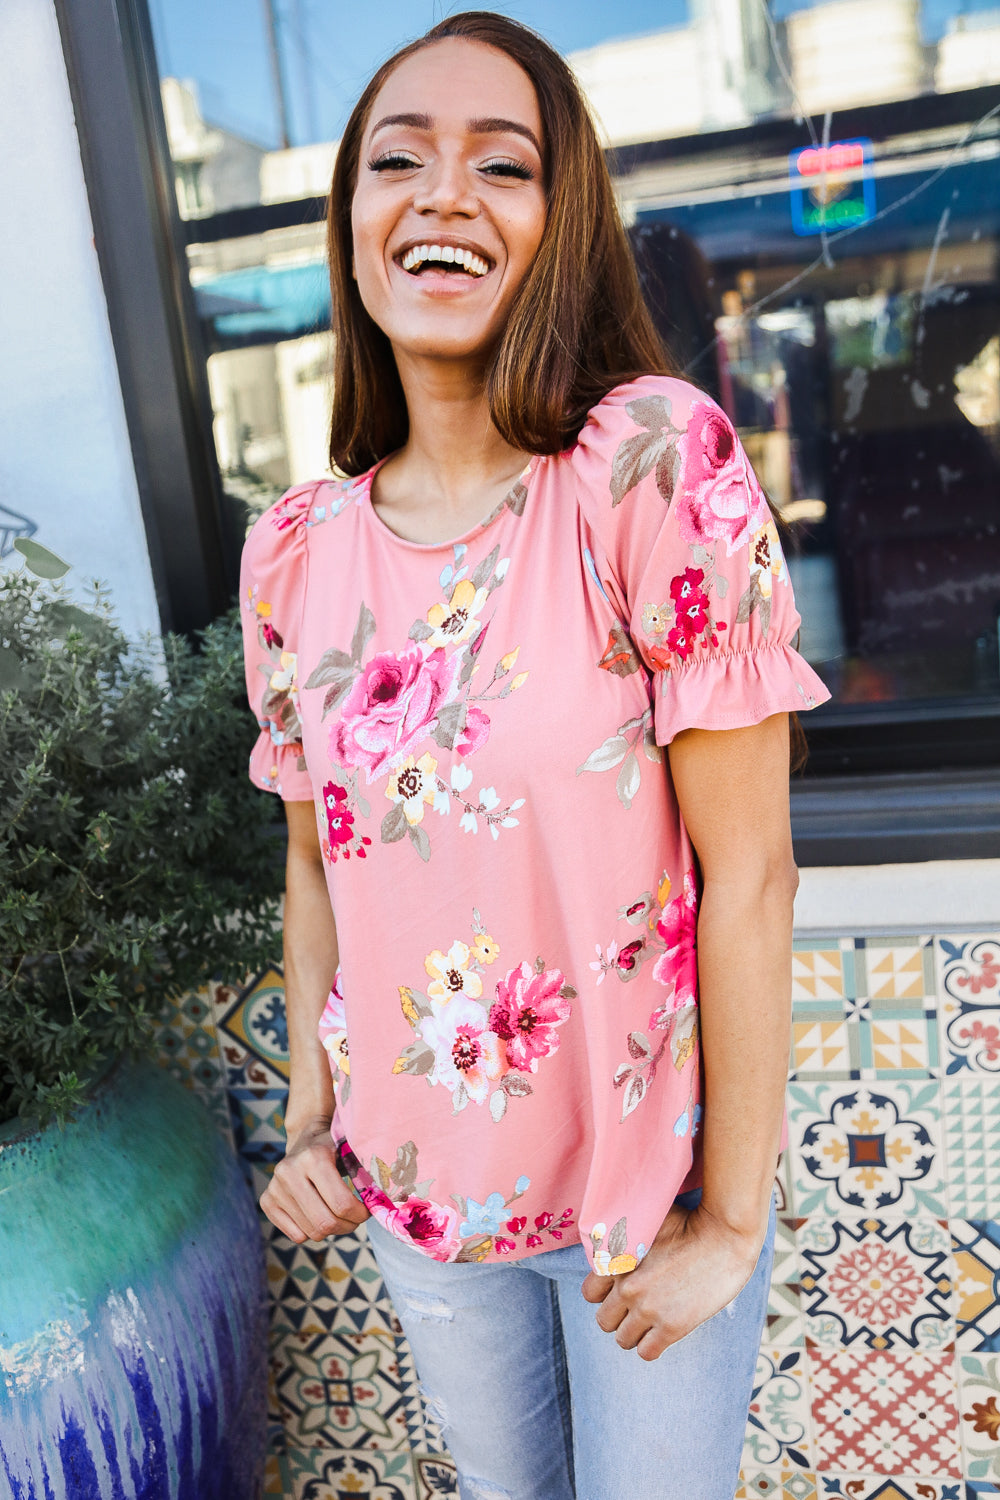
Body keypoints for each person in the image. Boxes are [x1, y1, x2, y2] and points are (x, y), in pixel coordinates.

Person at [240, 13, 830, 1498]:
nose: (444, 193)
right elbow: (316, 858)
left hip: (647, 1194)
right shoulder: (292, 551)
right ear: (352, 221)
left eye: (503, 165)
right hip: (423, 1200)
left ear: (561, 226)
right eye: (398, 160)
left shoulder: (647, 465)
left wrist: (731, 1222)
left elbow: (752, 873)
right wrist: (313, 1121)